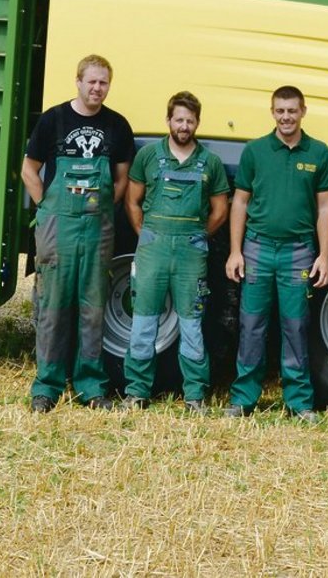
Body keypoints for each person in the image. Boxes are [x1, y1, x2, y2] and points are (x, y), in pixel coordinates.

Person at [22, 55, 134, 413]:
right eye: (91, 81)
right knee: (53, 306)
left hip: (96, 229)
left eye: (103, 83)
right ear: (78, 81)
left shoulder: (117, 125)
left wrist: (100, 211)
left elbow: (121, 180)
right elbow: (28, 170)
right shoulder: (53, 120)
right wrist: (46, 208)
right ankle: (47, 386)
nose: (96, 88)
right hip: (58, 227)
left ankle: (90, 386)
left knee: (92, 308)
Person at [225, 86, 328, 420]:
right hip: (257, 248)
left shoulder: (318, 153)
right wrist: (235, 251)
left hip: (299, 251)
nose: (286, 117)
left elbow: (326, 206)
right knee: (251, 325)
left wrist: (325, 255)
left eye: (292, 111)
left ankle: (299, 401)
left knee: (296, 326)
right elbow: (240, 202)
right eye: (280, 111)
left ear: (303, 111)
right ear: (272, 112)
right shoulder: (255, 151)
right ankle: (244, 397)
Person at [122, 92, 230, 414]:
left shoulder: (210, 162)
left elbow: (220, 210)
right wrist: (147, 235)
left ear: (198, 122)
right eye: (179, 119)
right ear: (168, 120)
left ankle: (194, 396)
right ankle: (137, 391)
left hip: (190, 253)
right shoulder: (149, 157)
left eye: (190, 120)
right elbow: (132, 201)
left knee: (192, 325)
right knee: (143, 323)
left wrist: (197, 237)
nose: (184, 126)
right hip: (153, 250)